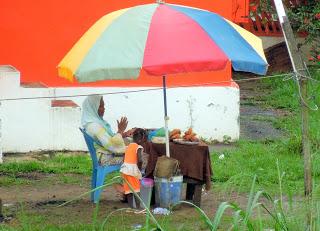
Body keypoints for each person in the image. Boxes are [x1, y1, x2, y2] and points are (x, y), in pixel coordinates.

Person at [81, 95, 128, 165]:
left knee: (133, 144)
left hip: (105, 154)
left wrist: (123, 134)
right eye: (101, 106)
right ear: (92, 107)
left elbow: (107, 140)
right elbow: (113, 146)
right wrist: (120, 131)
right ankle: (142, 175)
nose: (104, 109)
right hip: (106, 158)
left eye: (103, 106)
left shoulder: (91, 123)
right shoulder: (94, 126)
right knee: (139, 155)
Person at [119, 128, 148, 208]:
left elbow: (124, 158)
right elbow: (140, 159)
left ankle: (131, 207)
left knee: (128, 190)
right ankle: (138, 207)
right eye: (144, 141)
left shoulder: (128, 146)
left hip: (124, 170)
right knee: (136, 189)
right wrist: (139, 168)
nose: (144, 143)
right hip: (132, 170)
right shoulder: (138, 147)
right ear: (140, 139)